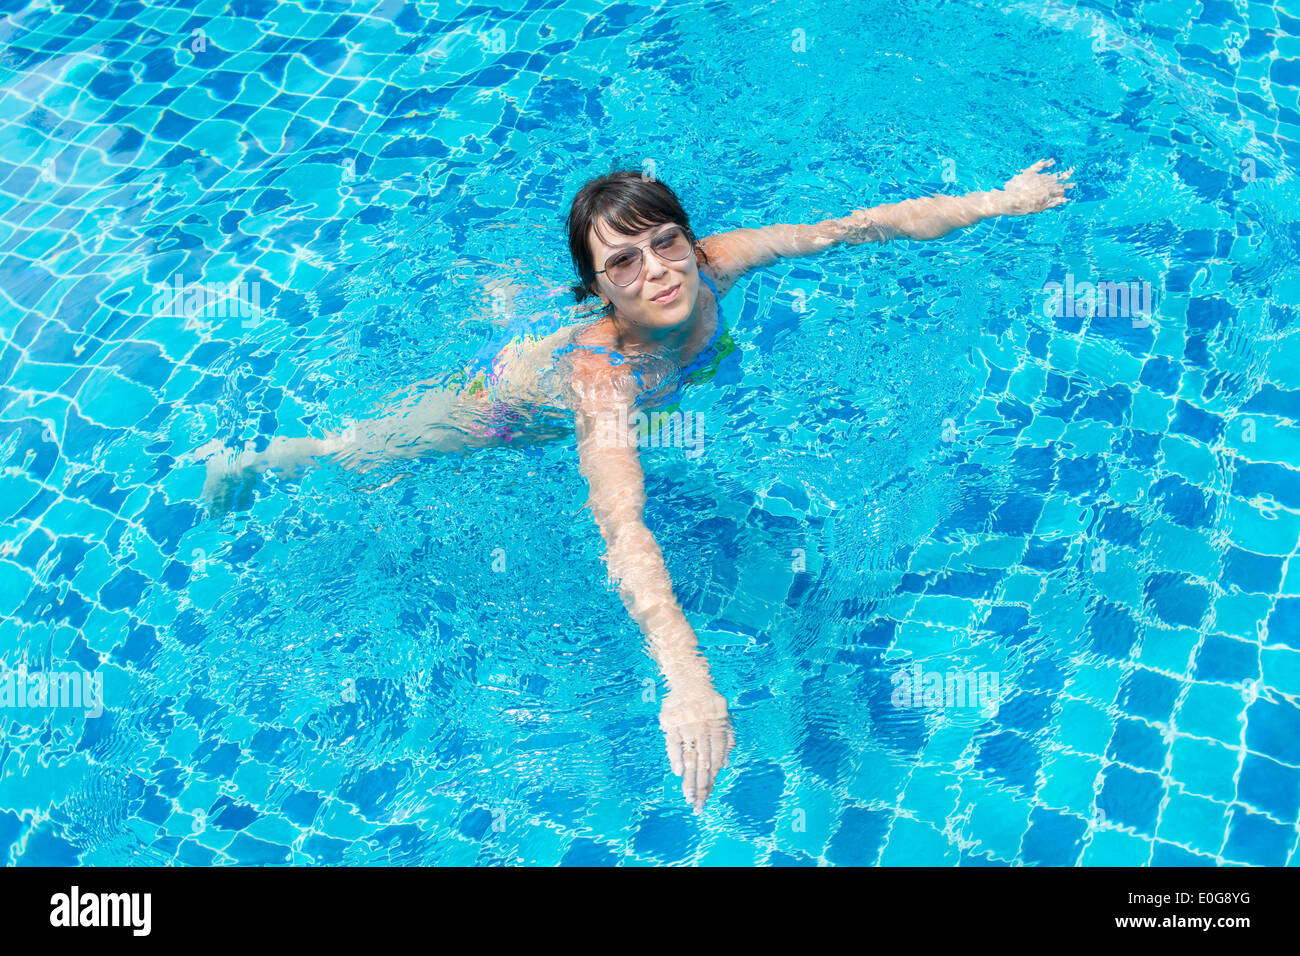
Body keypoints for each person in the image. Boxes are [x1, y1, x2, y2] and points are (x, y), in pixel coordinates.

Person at [199, 159, 1076, 812]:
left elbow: (858, 225)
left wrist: (997, 201)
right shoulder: (602, 376)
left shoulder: (717, 264)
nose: (660, 271)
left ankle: (508, 299)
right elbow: (622, 523)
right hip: (509, 408)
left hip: (591, 346)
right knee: (369, 449)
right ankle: (258, 458)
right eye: (626, 262)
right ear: (601, 289)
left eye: (666, 243)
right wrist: (686, 675)